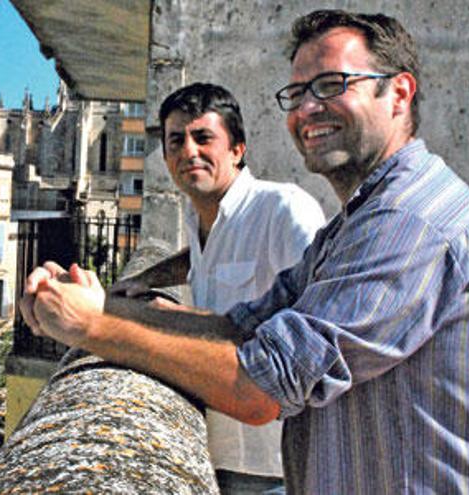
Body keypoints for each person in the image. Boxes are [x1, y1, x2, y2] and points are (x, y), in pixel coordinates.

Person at [20, 9, 469, 493]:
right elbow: (247, 323)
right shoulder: (360, 221)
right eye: (298, 93)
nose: (308, 109)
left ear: (398, 93)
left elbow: (264, 384)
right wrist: (103, 305)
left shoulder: (410, 221)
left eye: (332, 85)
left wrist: (91, 328)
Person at [109, 82, 325, 490]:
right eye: (176, 141)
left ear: (237, 149)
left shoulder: (282, 209)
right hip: (219, 453)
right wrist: (145, 280)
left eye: (203, 137)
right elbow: (205, 258)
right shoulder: (200, 220)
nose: (188, 151)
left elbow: (318, 316)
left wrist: (171, 320)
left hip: (277, 464)